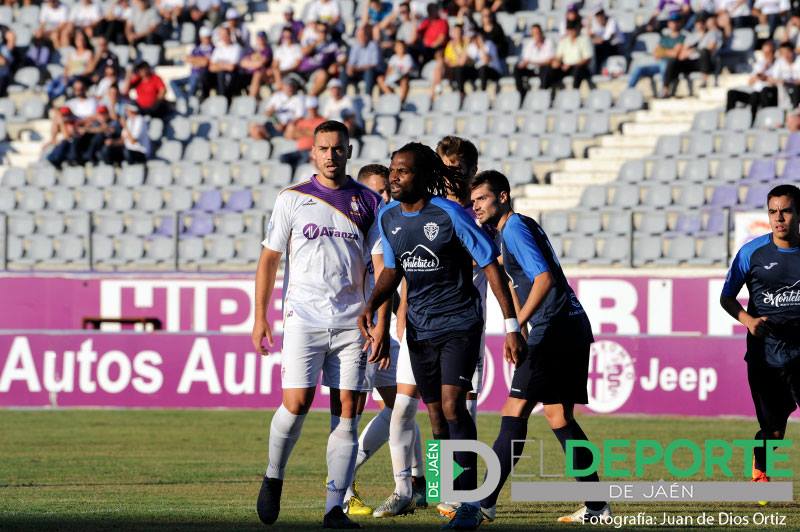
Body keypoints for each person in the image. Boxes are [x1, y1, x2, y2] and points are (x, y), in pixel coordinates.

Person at [359, 143, 524, 530]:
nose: (394, 178)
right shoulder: (388, 217)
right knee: (434, 416)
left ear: (423, 176)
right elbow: (393, 271)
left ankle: (468, 503)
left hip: (459, 325)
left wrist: (512, 325)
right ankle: (442, 493)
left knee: (454, 408)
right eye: (392, 170)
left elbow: (490, 264)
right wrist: (373, 304)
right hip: (420, 328)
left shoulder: (449, 214)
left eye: (403, 172)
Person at [253, 120, 390, 530]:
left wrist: (380, 318)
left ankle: (334, 508)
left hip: (354, 323)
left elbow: (382, 264)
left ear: (349, 151)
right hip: (304, 318)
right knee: (296, 405)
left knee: (348, 413)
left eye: (338, 148)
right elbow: (269, 260)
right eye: (324, 148)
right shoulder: (292, 199)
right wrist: (260, 316)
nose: (331, 155)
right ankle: (274, 474)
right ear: (313, 153)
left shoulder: (369, 202)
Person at [469, 170, 612, 527]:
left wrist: (515, 326)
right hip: (571, 327)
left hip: (554, 331)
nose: (476, 207)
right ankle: (598, 506)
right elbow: (511, 267)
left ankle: (484, 503)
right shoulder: (519, 227)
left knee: (513, 410)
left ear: (503, 196)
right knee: (559, 417)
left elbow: (544, 278)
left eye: (482, 199)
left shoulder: (514, 228)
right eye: (473, 202)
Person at [342, 164, 428, 518]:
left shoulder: (394, 224)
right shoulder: (353, 229)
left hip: (384, 329)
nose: (382, 198)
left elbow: (401, 277)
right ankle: (343, 485)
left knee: (403, 406)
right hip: (355, 332)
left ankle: (418, 484)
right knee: (351, 411)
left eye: (386, 192)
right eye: (375, 192)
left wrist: (397, 317)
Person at [720, 184, 800, 488]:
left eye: (787, 211)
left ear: (798, 213)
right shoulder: (751, 253)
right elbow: (727, 297)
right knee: (774, 433)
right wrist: (747, 320)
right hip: (765, 357)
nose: (779, 218)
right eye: (773, 211)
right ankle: (761, 459)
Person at [627, 12, 686, 96]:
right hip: (659, 63)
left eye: (676, 21)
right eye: (672, 22)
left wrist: (663, 51)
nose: (674, 24)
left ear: (680, 23)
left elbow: (675, 54)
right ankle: (628, 91)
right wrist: (668, 52)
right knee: (638, 69)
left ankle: (664, 91)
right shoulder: (664, 37)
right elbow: (656, 53)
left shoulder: (682, 38)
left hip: (671, 66)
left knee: (665, 66)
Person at [726, 40, 778, 120]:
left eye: (769, 52)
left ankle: (752, 121)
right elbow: (750, 82)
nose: (766, 55)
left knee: (757, 94)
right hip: (755, 93)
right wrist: (763, 70)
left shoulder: (778, 64)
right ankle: (729, 118)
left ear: (773, 52)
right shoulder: (760, 64)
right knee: (732, 93)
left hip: (767, 94)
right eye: (764, 52)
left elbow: (776, 82)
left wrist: (765, 78)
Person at [170, 26, 214, 113]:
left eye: (208, 37)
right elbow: (187, 58)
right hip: (192, 75)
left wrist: (195, 60)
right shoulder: (196, 49)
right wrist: (199, 60)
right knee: (173, 82)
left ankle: (189, 101)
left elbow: (205, 63)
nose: (206, 39)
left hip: (202, 76)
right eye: (204, 37)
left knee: (195, 78)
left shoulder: (213, 49)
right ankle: (183, 99)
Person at [543, 19, 594, 92]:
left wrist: (571, 65)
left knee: (577, 71)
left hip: (580, 67)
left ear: (577, 29)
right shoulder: (564, 41)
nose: (571, 31)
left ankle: (574, 93)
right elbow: (558, 56)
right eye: (569, 29)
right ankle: (549, 91)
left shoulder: (584, 40)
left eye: (572, 29)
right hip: (566, 67)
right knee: (549, 69)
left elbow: (587, 59)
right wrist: (557, 63)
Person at [278, 96, 326, 170]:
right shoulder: (302, 121)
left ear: (317, 108)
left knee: (303, 162)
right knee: (282, 158)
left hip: (311, 151)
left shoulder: (322, 120)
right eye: (310, 108)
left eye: (313, 108)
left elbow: (318, 134)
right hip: (300, 150)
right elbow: (289, 135)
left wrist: (300, 132)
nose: (311, 110)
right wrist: (308, 132)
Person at [342, 24, 384, 96]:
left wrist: (357, 68)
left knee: (369, 72)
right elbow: (351, 62)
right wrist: (349, 68)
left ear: (367, 36)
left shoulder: (373, 45)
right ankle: (342, 95)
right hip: (357, 72)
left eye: (362, 35)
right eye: (359, 36)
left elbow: (374, 64)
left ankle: (367, 96)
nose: (360, 38)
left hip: (371, 72)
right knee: (344, 72)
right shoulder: (355, 46)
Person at [514, 24, 554, 98]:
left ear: (541, 32)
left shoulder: (548, 42)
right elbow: (525, 60)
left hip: (543, 69)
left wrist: (533, 62)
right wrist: (524, 64)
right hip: (532, 69)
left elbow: (549, 61)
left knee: (545, 69)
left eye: (538, 32)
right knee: (517, 69)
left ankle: (543, 93)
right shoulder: (529, 44)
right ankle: (522, 93)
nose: (536, 35)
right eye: (534, 33)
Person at [209, 26, 243, 101]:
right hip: (220, 77)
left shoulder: (236, 48)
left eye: (225, 34)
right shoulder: (218, 48)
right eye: (221, 35)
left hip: (234, 77)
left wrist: (219, 64)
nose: (224, 37)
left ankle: (224, 100)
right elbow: (211, 67)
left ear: (229, 34)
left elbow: (232, 67)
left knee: (222, 74)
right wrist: (224, 64)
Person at [589, 9, 622, 75]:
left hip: (617, 47)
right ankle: (597, 70)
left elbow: (608, 38)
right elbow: (591, 35)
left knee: (598, 48)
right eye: (597, 16)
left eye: (600, 15)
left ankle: (598, 70)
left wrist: (595, 39)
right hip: (605, 46)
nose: (599, 17)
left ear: (604, 14)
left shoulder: (612, 21)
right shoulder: (597, 22)